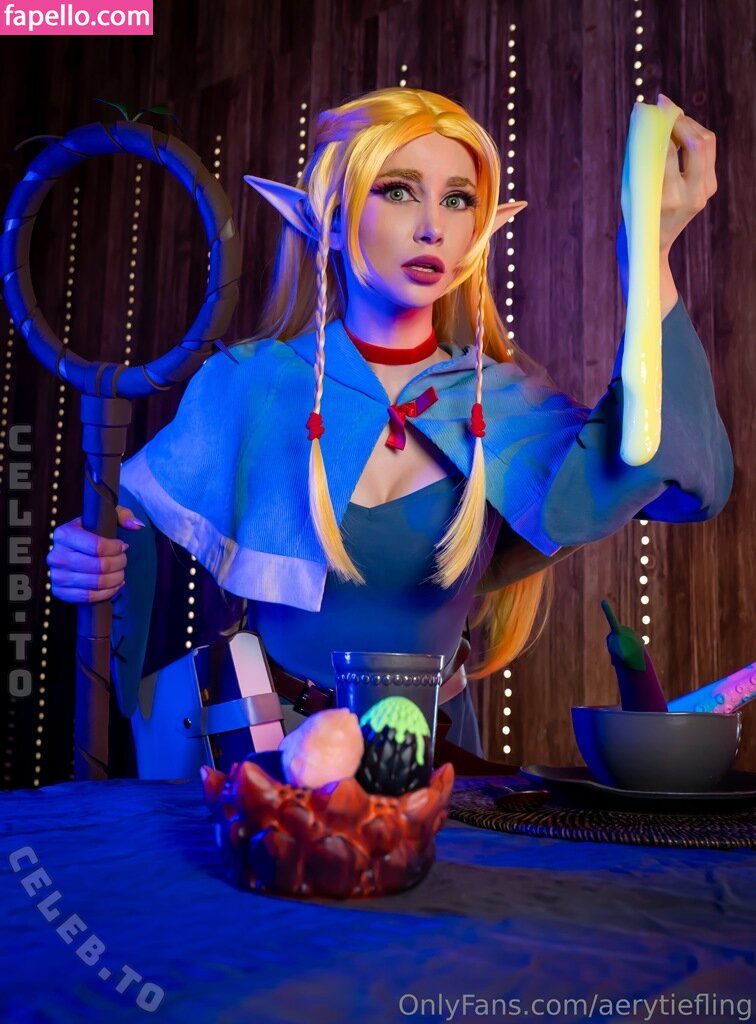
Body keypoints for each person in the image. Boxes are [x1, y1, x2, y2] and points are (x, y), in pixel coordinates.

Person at [47, 87, 732, 763]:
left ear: (478, 231)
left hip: (438, 758)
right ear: (331, 219)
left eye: (458, 200)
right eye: (399, 190)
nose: (433, 226)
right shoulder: (251, 384)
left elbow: (668, 469)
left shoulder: (503, 400)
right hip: (268, 755)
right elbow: (124, 526)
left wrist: (648, 253)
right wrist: (93, 556)